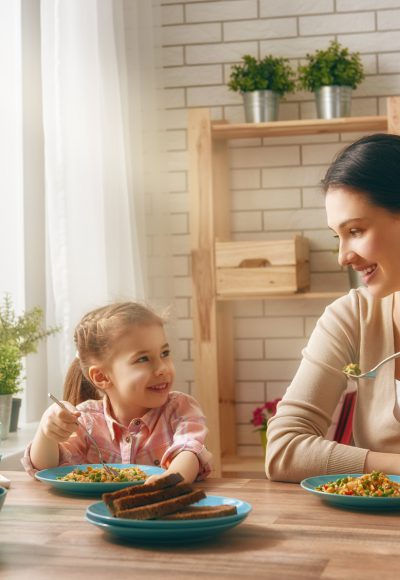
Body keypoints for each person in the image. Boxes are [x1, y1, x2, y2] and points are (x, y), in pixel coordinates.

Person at [266, 133, 400, 483]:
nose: (343, 257)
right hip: (371, 531)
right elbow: (283, 450)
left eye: (355, 230)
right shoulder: (352, 316)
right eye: (336, 236)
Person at [23, 302, 212, 484]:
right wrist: (46, 431)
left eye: (164, 353)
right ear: (102, 376)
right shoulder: (86, 420)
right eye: (143, 359)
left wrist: (170, 481)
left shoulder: (181, 409)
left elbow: (189, 450)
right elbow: (47, 468)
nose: (162, 368)